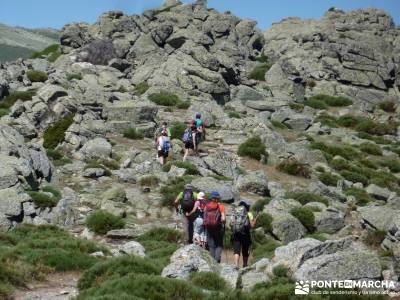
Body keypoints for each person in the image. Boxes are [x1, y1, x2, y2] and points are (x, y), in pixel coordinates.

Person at [230, 200, 257, 269]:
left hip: (236, 234)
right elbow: (252, 225)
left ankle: (236, 265)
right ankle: (245, 265)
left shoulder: (235, 212)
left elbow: (231, 224)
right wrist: (255, 219)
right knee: (245, 250)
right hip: (245, 233)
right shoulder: (249, 214)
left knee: (236, 250)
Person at [204, 191, 226, 263]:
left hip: (208, 228)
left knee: (211, 245)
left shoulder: (207, 206)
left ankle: (212, 262)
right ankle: (216, 261)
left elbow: (204, 216)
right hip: (218, 228)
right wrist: (224, 222)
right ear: (217, 198)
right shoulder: (220, 206)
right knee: (219, 245)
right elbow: (223, 218)